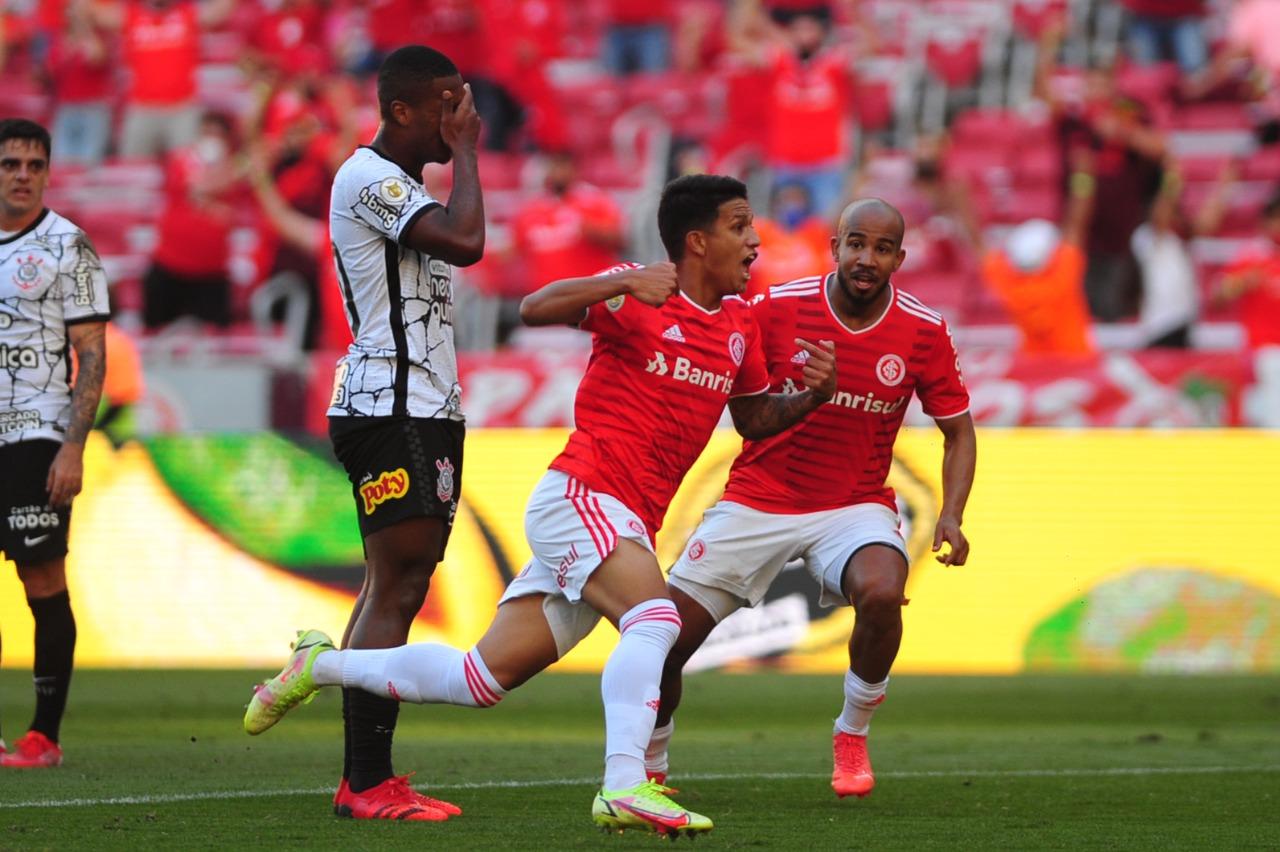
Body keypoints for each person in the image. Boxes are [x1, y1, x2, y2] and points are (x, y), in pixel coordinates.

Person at [243, 173, 839, 835]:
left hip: (624, 516)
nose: (755, 240)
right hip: (584, 494)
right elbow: (534, 306)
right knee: (654, 619)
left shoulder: (737, 325)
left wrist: (810, 399)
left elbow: (752, 418)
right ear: (696, 242)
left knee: (481, 680)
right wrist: (620, 282)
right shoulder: (639, 292)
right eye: (739, 226)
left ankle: (317, 665)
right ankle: (625, 784)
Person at [650, 198, 976, 800]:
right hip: (759, 497)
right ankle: (651, 766)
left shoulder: (924, 330)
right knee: (663, 640)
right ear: (835, 245)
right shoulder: (776, 307)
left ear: (899, 258)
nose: (866, 259)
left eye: (882, 249)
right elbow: (731, 391)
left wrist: (951, 515)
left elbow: (958, 430)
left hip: (854, 505)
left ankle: (852, 733)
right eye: (856, 243)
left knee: (882, 593)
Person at [249, 45, 485, 822]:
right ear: (402, 111)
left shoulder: (404, 184)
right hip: (391, 405)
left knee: (396, 584)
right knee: (403, 582)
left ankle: (355, 753)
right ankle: (367, 780)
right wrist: (471, 156)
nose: (459, 116)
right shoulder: (369, 177)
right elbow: (467, 242)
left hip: (423, 405)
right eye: (446, 103)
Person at [0, 118, 110, 768]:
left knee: (41, 578)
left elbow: (90, 355)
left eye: (33, 165)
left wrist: (72, 446)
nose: (21, 174)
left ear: (47, 172)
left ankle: (43, 735)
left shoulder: (69, 245)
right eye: (11, 163)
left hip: (36, 430)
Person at [979, 150, 1097, 356]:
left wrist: (956, 200)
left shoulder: (1010, 285)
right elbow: (1077, 223)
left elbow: (977, 245)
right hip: (1078, 365)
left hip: (1034, 372)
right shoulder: (1062, 276)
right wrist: (1083, 177)